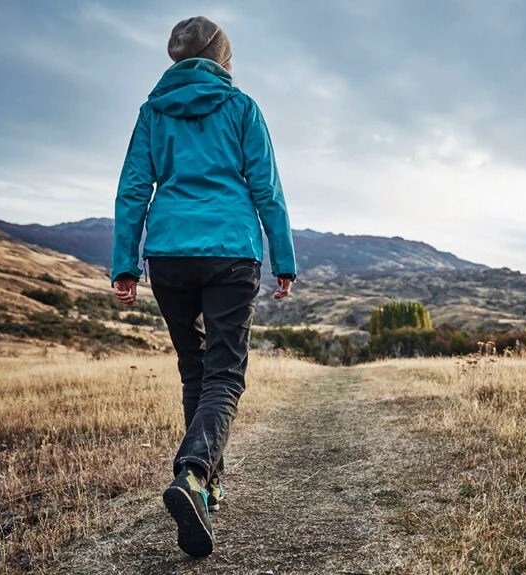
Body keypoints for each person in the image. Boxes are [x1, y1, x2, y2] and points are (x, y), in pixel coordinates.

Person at [110, 16, 296, 557]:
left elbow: (132, 191)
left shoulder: (152, 112)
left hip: (168, 253)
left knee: (195, 370)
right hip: (231, 251)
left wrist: (125, 263)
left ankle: (207, 489)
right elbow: (267, 188)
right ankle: (193, 474)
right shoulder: (241, 107)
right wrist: (282, 257)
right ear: (223, 57)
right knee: (224, 373)